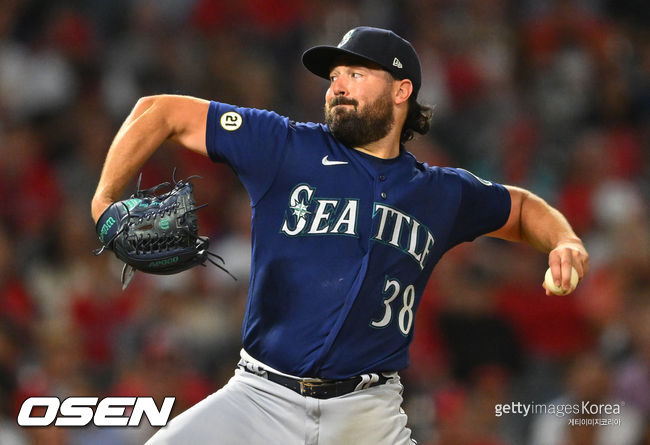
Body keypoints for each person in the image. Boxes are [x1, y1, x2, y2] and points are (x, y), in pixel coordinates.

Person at [91, 26, 589, 445]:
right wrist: (103, 200)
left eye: (355, 73)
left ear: (401, 91)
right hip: (259, 399)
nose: (337, 86)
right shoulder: (285, 146)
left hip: (367, 415)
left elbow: (521, 207)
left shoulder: (439, 193)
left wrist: (563, 241)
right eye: (334, 77)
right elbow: (159, 111)